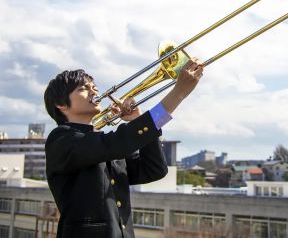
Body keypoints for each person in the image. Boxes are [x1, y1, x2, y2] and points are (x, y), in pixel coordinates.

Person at [44, 58, 204, 238]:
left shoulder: (101, 143)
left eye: (93, 86)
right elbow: (118, 142)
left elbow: (154, 170)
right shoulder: (61, 139)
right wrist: (178, 93)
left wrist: (138, 119)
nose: (94, 91)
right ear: (61, 104)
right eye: (83, 88)